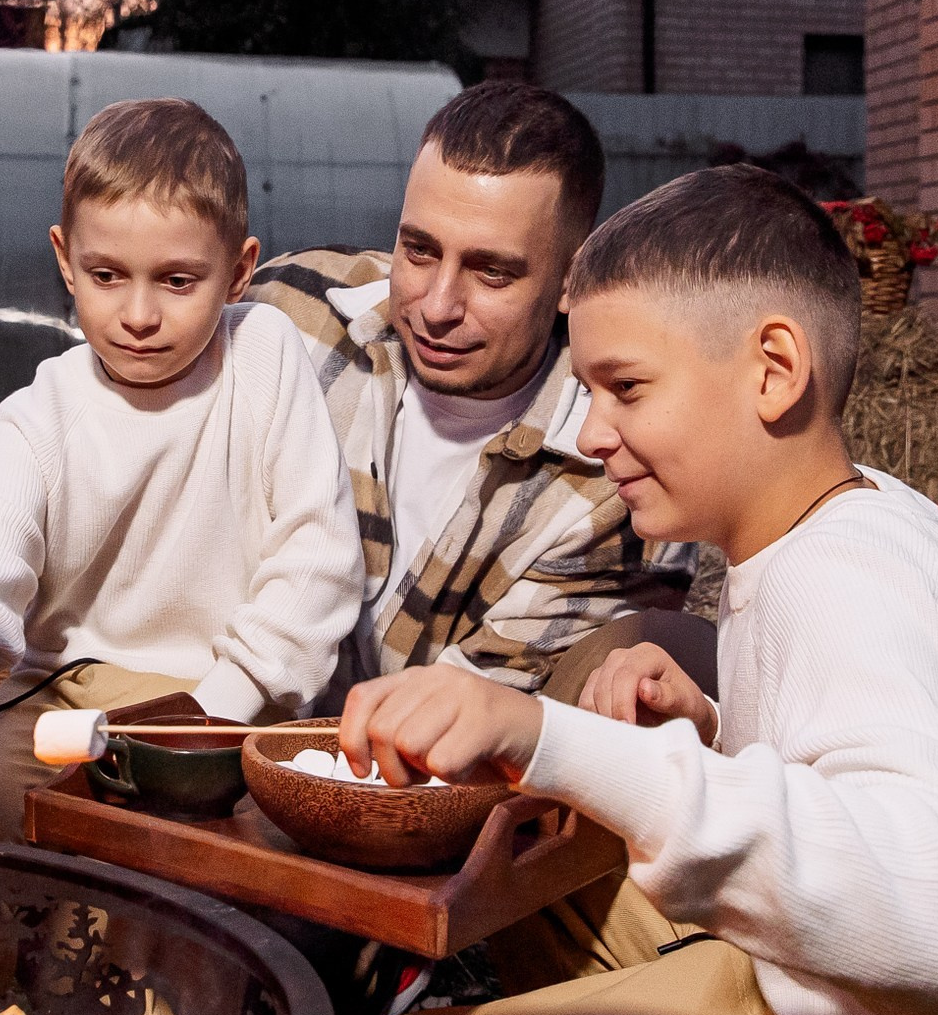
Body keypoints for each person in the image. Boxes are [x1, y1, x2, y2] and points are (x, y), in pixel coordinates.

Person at [315, 165, 938, 1015]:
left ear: (773, 370)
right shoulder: (859, 516)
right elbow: (869, 779)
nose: (591, 431)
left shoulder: (839, 581)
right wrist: (713, 732)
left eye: (625, 388)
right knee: (583, 849)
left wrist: (542, 734)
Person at [0, 98, 368, 841]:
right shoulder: (42, 409)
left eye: (178, 280)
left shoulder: (267, 356)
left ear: (239, 270)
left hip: (228, 700)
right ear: (65, 260)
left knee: (216, 873)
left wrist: (217, 709)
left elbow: (318, 560)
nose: (138, 314)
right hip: (56, 695)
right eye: (107, 274)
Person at [246, 81, 700, 703]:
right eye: (420, 250)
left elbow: (467, 737)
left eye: (492, 272)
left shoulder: (620, 495)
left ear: (573, 279)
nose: (437, 307)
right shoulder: (286, 309)